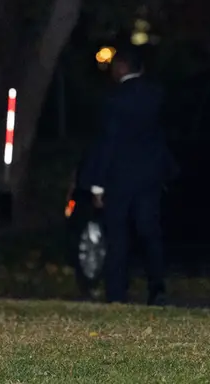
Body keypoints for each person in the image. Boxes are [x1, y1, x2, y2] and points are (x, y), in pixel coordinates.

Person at [79, 46, 175, 306]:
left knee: (118, 236)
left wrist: (97, 184)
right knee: (150, 232)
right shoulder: (156, 95)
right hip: (149, 177)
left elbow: (107, 142)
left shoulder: (113, 99)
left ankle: (117, 293)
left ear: (121, 67)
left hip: (118, 180)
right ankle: (157, 288)